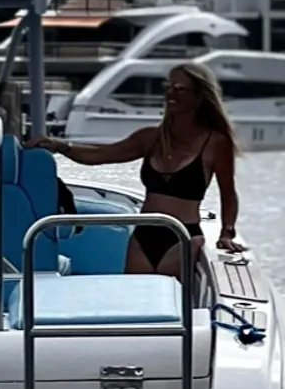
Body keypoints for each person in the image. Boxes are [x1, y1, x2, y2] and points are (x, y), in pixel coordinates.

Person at [36, 61, 242, 277]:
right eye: (168, 87)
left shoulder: (216, 143)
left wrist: (227, 233)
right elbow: (99, 155)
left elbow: (228, 193)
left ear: (199, 96)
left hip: (183, 235)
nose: (171, 93)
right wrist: (59, 146)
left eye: (180, 89)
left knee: (172, 302)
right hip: (144, 234)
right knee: (136, 300)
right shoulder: (150, 138)